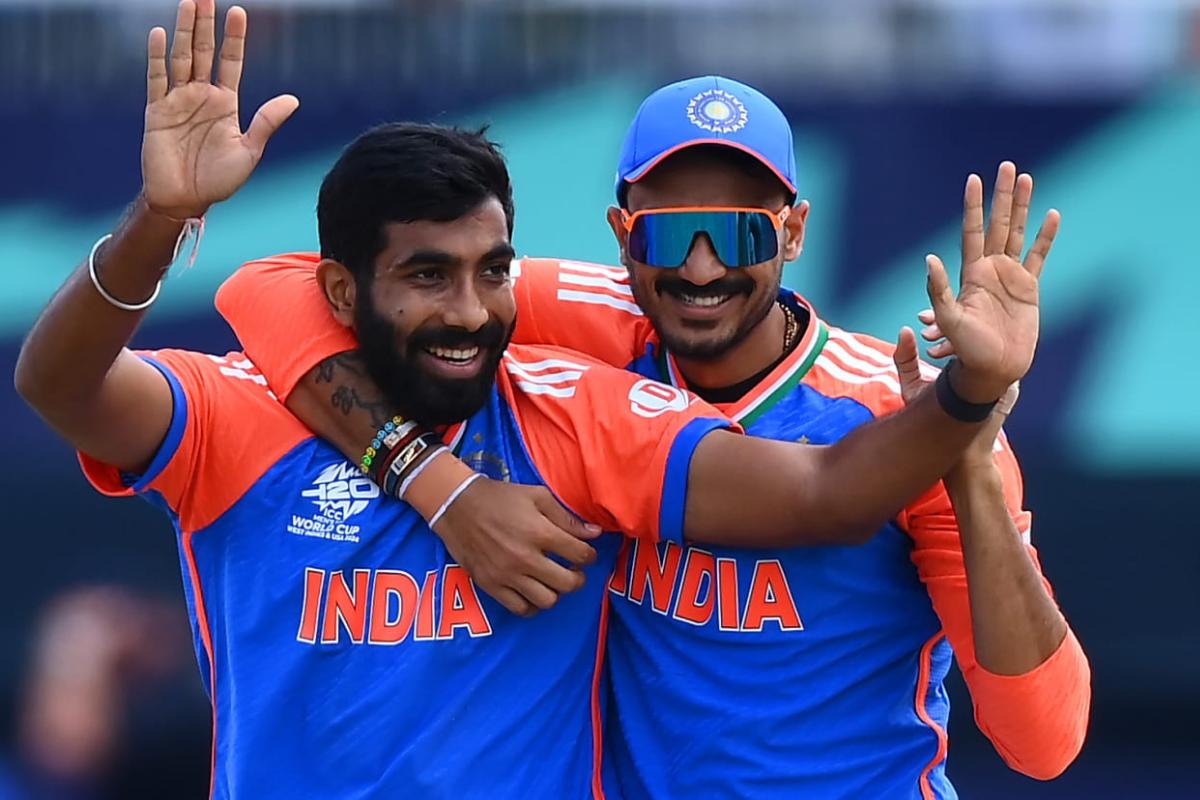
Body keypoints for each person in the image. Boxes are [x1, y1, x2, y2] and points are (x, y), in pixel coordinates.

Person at [13, 4, 1047, 796]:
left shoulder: (576, 408)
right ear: (342, 291)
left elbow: (826, 493)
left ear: (793, 231)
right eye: (427, 275)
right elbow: (64, 380)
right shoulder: (249, 407)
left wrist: (966, 398)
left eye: (493, 268)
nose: (471, 307)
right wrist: (159, 219)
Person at [222, 76, 1091, 796]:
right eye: (670, 233)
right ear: (622, 236)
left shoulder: (899, 418)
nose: (701, 265)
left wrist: (969, 444)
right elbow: (268, 287)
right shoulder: (587, 325)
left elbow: (1043, 741)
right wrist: (433, 482)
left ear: (792, 230)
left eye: (742, 230)